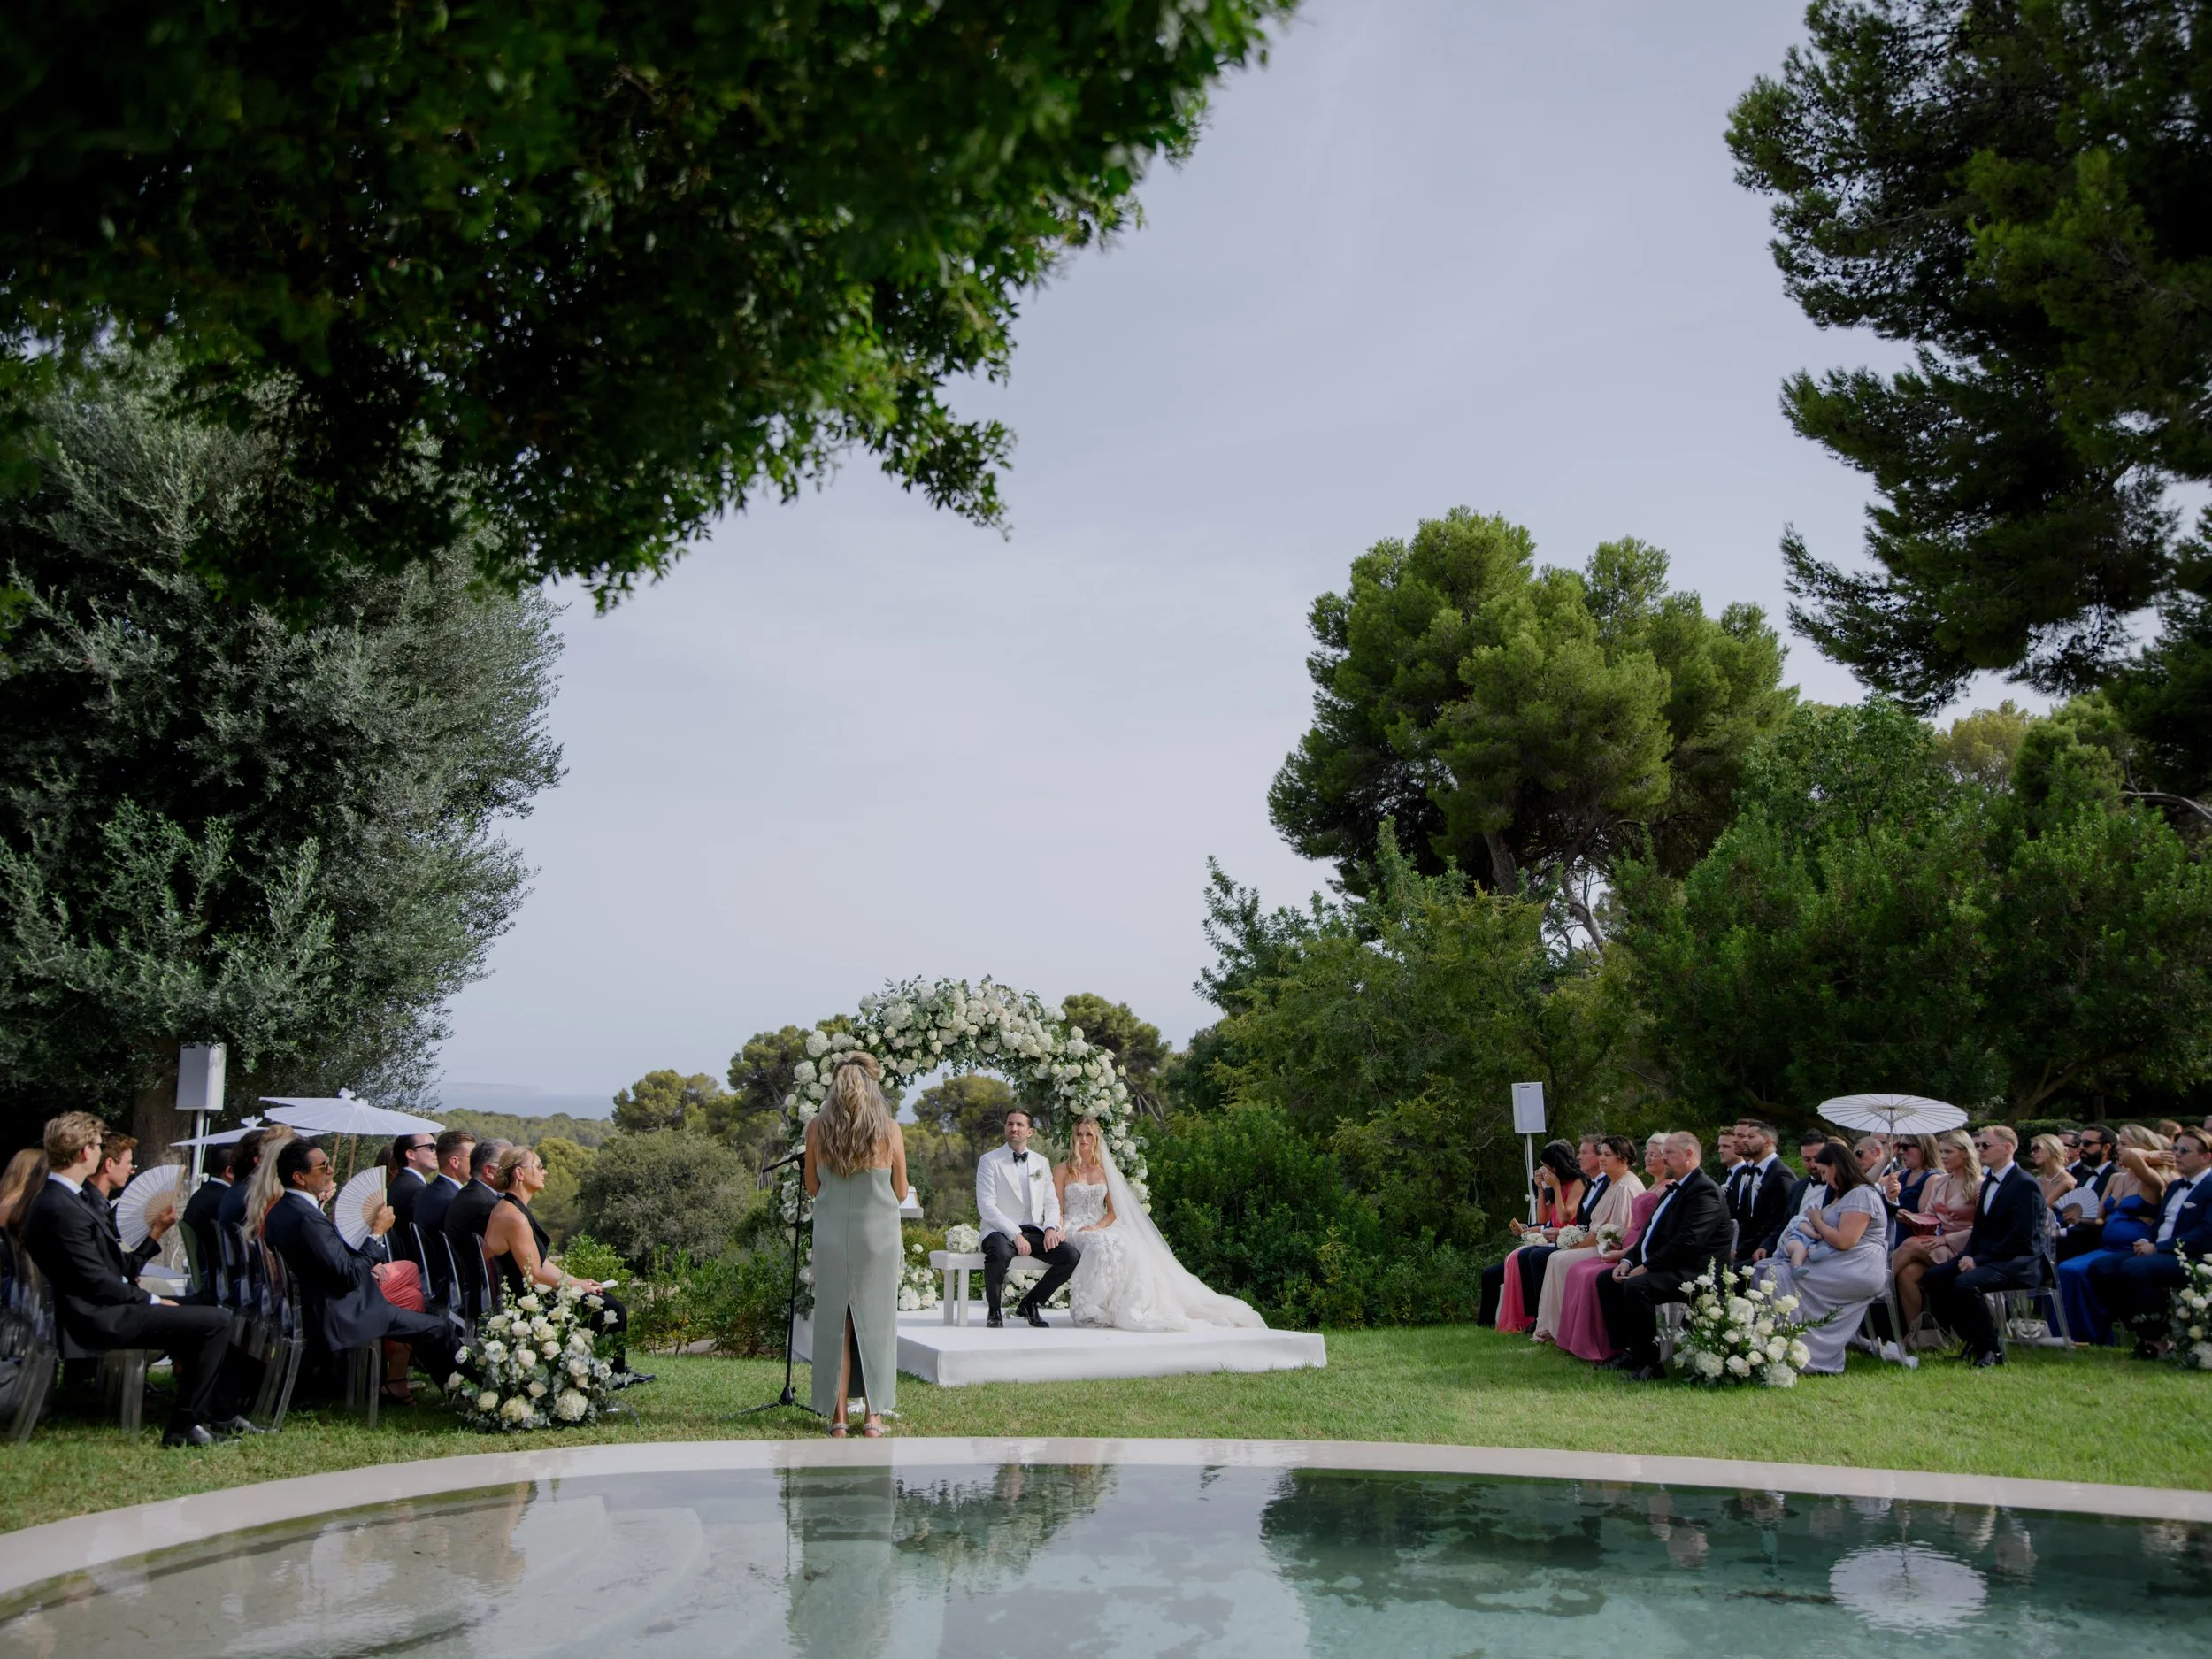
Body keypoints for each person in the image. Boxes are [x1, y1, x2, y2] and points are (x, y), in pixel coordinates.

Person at [20, 1113, 245, 1447]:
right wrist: (152, 1300)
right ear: (85, 1152)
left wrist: (155, 1236)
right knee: (216, 1321)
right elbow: (96, 1281)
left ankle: (207, 1415)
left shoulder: (67, 1199)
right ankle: (185, 1428)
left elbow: (111, 1266)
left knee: (206, 1310)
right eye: (97, 1146)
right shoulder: (59, 1206)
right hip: (96, 1318)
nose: (99, 1153)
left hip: (101, 1308)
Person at [262, 1138, 460, 1402]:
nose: (331, 1170)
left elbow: (326, 1260)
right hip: (346, 1312)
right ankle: (466, 1395)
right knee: (439, 1328)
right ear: (300, 1177)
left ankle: (424, 1384)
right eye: (323, 1167)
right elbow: (350, 1276)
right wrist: (377, 1234)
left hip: (324, 1305)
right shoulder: (308, 1219)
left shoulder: (283, 1210)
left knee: (420, 1311)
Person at [1055, 1114, 1264, 1333]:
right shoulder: (1062, 1170)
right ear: (1073, 1138)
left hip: (1100, 1224)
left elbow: (1114, 1210)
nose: (1084, 1139)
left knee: (1125, 1243)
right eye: (1079, 1134)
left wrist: (1099, 1226)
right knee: (1099, 1243)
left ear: (1097, 1138)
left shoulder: (1104, 1171)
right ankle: (1091, 1308)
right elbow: (1057, 1209)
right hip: (1075, 1225)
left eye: (1089, 1134)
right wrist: (1058, 1229)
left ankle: (1116, 1305)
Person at [481, 1145, 649, 1383]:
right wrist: (575, 1288)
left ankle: (610, 1372)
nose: (545, 1172)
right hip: (528, 1303)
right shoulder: (513, 1216)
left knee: (604, 1300)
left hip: (532, 1293)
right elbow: (535, 1276)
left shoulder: (513, 1209)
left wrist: (579, 1282)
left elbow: (539, 1263)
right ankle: (611, 1377)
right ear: (519, 1173)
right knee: (611, 1308)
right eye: (539, 1166)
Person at [805, 1050, 907, 1435]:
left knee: (837, 1324)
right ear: (871, 1085)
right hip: (877, 1237)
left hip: (832, 1235)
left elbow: (814, 1187)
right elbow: (900, 1191)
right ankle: (874, 1416)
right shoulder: (889, 1129)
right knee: (877, 1324)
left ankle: (838, 1418)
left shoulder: (817, 1128)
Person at [1594, 1132, 1732, 1380]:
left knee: (1638, 1286)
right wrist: (1627, 1261)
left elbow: (1688, 1243)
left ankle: (1650, 1364)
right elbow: (1648, 1234)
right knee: (1607, 1280)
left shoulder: (1704, 1191)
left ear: (1689, 1154)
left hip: (1694, 1272)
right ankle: (1629, 1351)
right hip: (1670, 1265)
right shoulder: (1674, 1188)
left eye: (1669, 1153)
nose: (1663, 1159)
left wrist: (1647, 1267)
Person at [1755, 1139, 1890, 1374]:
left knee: (1780, 1274)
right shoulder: (1843, 1195)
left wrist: (1817, 1221)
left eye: (1825, 1171)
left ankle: (1802, 1353)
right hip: (1837, 1261)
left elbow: (1846, 1241)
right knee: (1763, 1268)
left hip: (1858, 1266)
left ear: (1836, 1167)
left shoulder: (1861, 1195)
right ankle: (1773, 1343)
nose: (1824, 1178)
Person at [1920, 1125, 2048, 1366]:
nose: (1979, 1150)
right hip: (1990, 1257)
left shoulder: (2025, 1184)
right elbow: (1979, 1230)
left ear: (2007, 1148)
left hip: (2019, 1262)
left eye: (1985, 1146)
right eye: (1977, 1145)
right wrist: (1967, 1255)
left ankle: (1992, 1350)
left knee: (1965, 1284)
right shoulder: (1989, 1181)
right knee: (1933, 1278)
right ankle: (1973, 1338)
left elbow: (2022, 1239)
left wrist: (1979, 1260)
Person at [2085, 1127, 2212, 1357]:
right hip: (2161, 1250)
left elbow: (2205, 1233)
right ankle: (2141, 1329)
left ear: (2206, 1157)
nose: (2178, 1154)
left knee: (2134, 1268)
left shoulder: (2209, 1185)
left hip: (2193, 1256)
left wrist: (2158, 1247)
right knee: (2101, 1268)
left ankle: (2156, 1339)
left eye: (2185, 1150)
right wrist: (2146, 1241)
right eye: (2175, 1149)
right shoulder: (2175, 1186)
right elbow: (2161, 1225)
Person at [1554, 1134, 1670, 1363]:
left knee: (1587, 1273)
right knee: (1576, 1270)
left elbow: (1636, 1226)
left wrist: (1625, 1254)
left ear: (1622, 1158)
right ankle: (1573, 1338)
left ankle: (1605, 1345)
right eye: (1646, 1153)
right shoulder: (1651, 1184)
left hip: (1634, 1246)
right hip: (1629, 1244)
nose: (1647, 1157)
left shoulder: (1646, 1186)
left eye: (1653, 1154)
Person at [2059, 1126, 2177, 1345]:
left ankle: (2095, 1334)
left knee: (2082, 1270)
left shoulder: (2152, 1180)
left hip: (2132, 1248)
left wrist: (2148, 1156)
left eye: (2124, 1144)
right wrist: (2078, 1219)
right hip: (2107, 1246)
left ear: (2142, 1149)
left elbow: (2134, 1158)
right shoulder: (2116, 1179)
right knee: (2066, 1268)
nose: (2118, 1149)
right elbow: (2100, 1219)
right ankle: (2072, 1333)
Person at [1532, 1135, 1645, 1343]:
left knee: (1558, 1259)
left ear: (1622, 1158)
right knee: (1556, 1258)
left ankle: (1561, 1329)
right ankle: (1552, 1325)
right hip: (1594, 1241)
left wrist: (1576, 1243)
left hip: (1608, 1248)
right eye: (1601, 1153)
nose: (1602, 1158)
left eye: (1607, 1155)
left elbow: (1614, 1234)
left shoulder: (1624, 1187)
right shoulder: (1612, 1184)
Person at [975, 1108, 1077, 1329]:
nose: (1013, 1128)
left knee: (1070, 1256)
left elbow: (1051, 1201)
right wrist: (1015, 1233)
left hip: (1034, 1230)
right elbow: (986, 1206)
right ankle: (994, 1311)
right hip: (999, 1230)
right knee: (1000, 1253)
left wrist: (1051, 1227)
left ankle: (1029, 1304)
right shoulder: (989, 1161)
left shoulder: (1041, 1162)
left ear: (1029, 1132)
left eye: (1019, 1125)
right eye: (1010, 1124)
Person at [1888, 1128, 1980, 1340]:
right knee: (1908, 1273)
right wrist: (1907, 1216)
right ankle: (1916, 1336)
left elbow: (1982, 1227)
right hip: (1939, 1243)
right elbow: (1929, 1216)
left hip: (1964, 1247)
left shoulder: (1979, 1184)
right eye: (1942, 1152)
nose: (1944, 1157)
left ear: (1965, 1153)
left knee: (1911, 1243)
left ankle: (1878, 1285)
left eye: (1948, 1152)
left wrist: (1945, 1238)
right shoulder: (1942, 1182)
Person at [1494, 1139, 1592, 1333]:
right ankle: (1535, 1315)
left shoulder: (1577, 1182)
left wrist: (1555, 1188)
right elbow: (1542, 1218)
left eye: (1547, 1168)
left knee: (1534, 1256)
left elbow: (1565, 1216)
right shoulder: (1554, 1184)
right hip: (1552, 1237)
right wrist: (1541, 1189)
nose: (1544, 1172)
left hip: (1569, 1238)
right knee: (1524, 1256)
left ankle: (1545, 1316)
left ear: (1557, 1167)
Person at [442, 1139, 511, 1315]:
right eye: (509, 1166)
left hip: (470, 1288)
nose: (516, 1172)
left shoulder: (469, 1194)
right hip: (485, 1295)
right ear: (489, 1171)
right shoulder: (486, 1205)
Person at [412, 1128, 476, 1302]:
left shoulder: (428, 1192)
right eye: (474, 1158)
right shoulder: (454, 1200)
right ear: (455, 1161)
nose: (478, 1163)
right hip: (451, 1287)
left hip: (432, 1279)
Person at [1755, 1131, 1834, 1261]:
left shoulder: (1837, 1187)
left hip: (1824, 1247)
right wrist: (1766, 1245)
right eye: (1807, 1159)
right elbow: (1786, 1220)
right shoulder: (1798, 1187)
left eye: (1817, 1158)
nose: (1813, 1164)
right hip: (1792, 1243)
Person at [1728, 1120, 1793, 1268]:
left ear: (1767, 1142)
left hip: (1768, 1250)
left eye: (1751, 1137)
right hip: (1747, 1246)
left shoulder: (1781, 1175)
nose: (1744, 1140)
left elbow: (1779, 1219)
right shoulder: (1752, 1173)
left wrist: (1742, 1250)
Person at [385, 1132, 436, 1269]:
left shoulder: (399, 1184)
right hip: (413, 1270)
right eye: (430, 1147)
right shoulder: (416, 1190)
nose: (435, 1152)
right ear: (410, 1154)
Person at [2029, 1134, 2077, 1211]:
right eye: (2032, 1151)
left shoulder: (2067, 1181)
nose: (2032, 1154)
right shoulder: (2037, 1180)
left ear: (2051, 1147)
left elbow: (2041, 1210)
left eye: (2036, 1149)